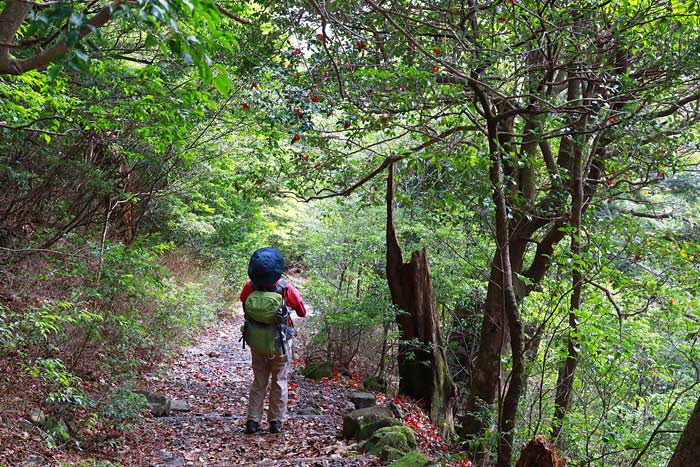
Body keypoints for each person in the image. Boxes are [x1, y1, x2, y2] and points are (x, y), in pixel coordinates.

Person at [240, 247, 306, 434]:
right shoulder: (285, 288)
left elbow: (244, 304)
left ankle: (252, 421)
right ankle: (275, 422)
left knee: (258, 381)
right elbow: (302, 311)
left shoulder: (249, 287)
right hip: (280, 343)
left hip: (257, 341)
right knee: (279, 380)